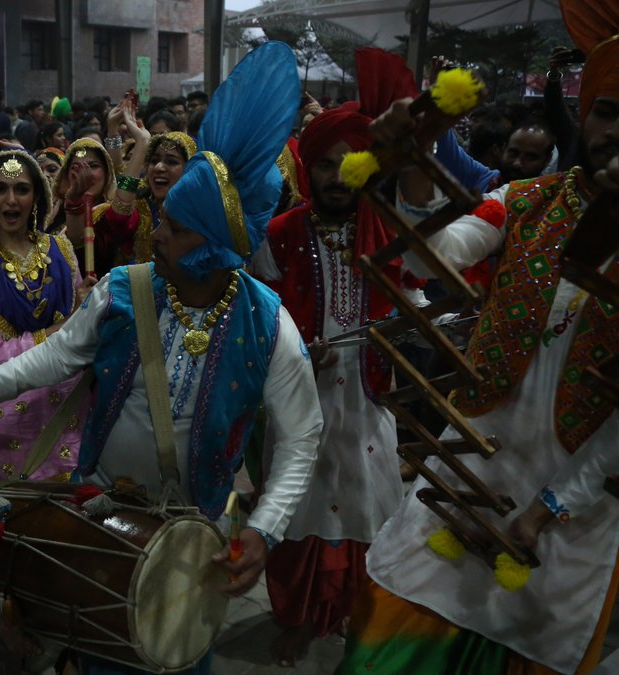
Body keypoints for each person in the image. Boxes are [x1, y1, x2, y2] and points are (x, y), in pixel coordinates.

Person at [0, 42, 322, 675]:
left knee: (174, 656)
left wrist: (266, 528)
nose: (159, 233)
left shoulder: (268, 324)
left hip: (192, 532)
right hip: (99, 514)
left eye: (175, 227)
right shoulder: (124, 291)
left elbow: (302, 435)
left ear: (216, 246)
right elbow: (55, 358)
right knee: (97, 652)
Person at [336, 3, 619, 671]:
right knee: (381, 644)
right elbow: (425, 257)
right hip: (462, 475)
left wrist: (546, 510)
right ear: (585, 118)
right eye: (609, 111)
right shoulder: (524, 201)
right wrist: (411, 165)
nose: (618, 132)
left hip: (570, 518)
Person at [250, 47, 417, 667]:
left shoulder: (391, 229)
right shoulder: (279, 233)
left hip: (367, 397)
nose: (336, 177)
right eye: (324, 165)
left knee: (368, 505)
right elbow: (258, 318)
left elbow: (417, 302)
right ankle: (294, 618)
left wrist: (394, 330)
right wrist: (290, 354)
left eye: (349, 165)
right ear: (307, 168)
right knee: (295, 508)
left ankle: (350, 616)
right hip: (300, 396)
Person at [0, 150, 90, 482]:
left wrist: (89, 307)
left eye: (22, 190)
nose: (11, 200)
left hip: (73, 401)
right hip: (16, 405)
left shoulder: (62, 250)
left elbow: (84, 333)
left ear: (37, 196)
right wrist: (69, 321)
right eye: (0, 189)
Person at [98, 96, 198, 268]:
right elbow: (117, 218)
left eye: (172, 161)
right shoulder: (141, 207)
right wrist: (139, 141)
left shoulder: (200, 212)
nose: (159, 167)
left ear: (189, 170)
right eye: (154, 160)